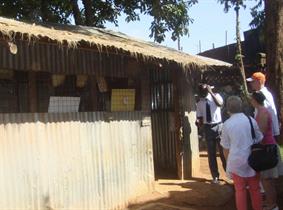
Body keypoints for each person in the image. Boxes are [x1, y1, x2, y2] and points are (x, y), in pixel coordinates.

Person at [220, 96, 263, 210]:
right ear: (241, 107)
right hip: (253, 160)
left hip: (236, 161)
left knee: (240, 190)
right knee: (255, 189)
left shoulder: (227, 125)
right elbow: (259, 138)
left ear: (228, 109)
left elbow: (226, 148)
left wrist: (228, 165)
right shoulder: (250, 120)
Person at [249, 91, 283, 210]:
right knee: (267, 180)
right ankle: (271, 203)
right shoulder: (261, 111)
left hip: (267, 150)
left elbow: (261, 133)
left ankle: (272, 205)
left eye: (251, 99)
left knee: (267, 181)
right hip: (267, 148)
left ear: (255, 100)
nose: (250, 101)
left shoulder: (263, 112)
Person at [196, 83, 226, 183]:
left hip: (219, 126)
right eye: (200, 92)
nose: (201, 94)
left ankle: (228, 173)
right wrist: (198, 123)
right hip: (208, 128)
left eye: (203, 92)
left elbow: (220, 104)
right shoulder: (200, 103)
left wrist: (211, 93)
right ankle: (215, 176)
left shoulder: (216, 96)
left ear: (207, 90)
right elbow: (200, 118)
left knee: (223, 152)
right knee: (211, 153)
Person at [246, 72, 280, 138]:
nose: (251, 84)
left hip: (266, 133)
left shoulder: (263, 94)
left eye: (253, 81)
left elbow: (267, 113)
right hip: (267, 132)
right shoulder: (264, 93)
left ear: (259, 82)